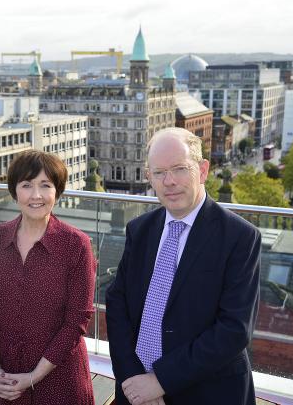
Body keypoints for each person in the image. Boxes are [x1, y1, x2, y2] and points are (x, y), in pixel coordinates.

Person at [106, 127, 261, 405]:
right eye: (159, 173)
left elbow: (234, 329)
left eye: (179, 169)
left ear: (202, 170)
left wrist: (160, 380)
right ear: (149, 177)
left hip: (207, 392)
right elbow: (117, 304)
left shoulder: (240, 237)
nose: (169, 182)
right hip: (135, 387)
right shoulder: (139, 230)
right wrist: (134, 380)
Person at [0, 150, 96, 405]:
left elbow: (77, 320)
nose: (36, 195)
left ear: (57, 191)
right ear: (15, 191)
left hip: (58, 381)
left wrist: (33, 376)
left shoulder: (76, 245)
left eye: (45, 185)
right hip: (0, 381)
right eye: (27, 185)